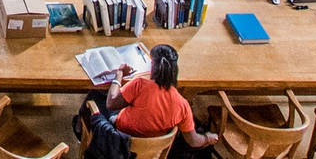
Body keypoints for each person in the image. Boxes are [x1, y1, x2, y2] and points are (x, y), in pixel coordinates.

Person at [83, 44, 218, 157]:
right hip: (153, 149)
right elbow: (193, 141)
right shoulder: (182, 105)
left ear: (152, 65)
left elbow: (111, 104)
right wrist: (207, 138)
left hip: (120, 136)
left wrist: (119, 75)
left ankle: (80, 130)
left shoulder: (140, 85)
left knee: (96, 95)